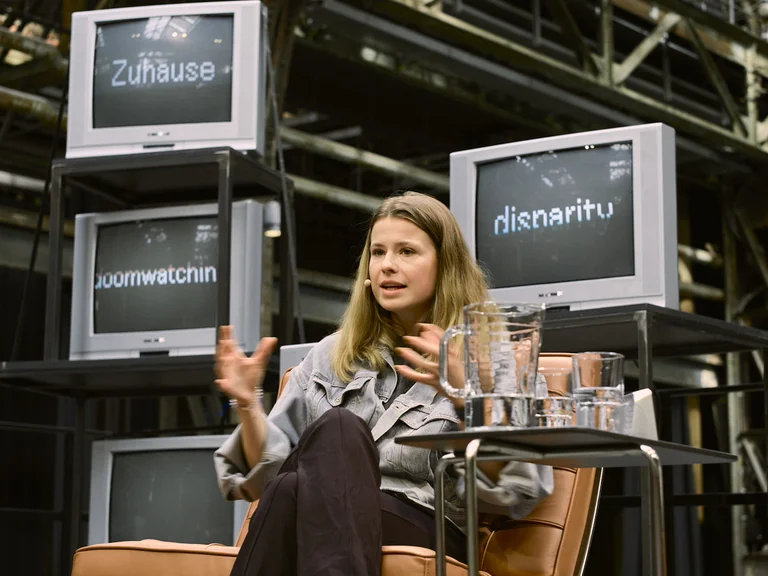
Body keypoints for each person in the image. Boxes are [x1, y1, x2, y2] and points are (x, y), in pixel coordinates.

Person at [213, 191, 553, 576]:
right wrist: (246, 402)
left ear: (446, 266)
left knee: (320, 452)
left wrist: (468, 399)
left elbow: (515, 489)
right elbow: (265, 474)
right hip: (316, 510)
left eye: (406, 252)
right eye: (378, 253)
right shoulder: (331, 354)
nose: (387, 266)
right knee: (291, 485)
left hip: (425, 523)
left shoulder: (494, 360)